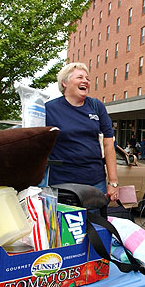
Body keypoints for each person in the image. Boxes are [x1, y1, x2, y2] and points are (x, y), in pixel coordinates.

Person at [45, 62, 120, 202]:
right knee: (65, 224)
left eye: (87, 78)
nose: (85, 81)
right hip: (61, 183)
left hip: (95, 182)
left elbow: (109, 144)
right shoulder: (49, 109)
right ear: (65, 83)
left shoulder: (96, 106)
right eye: (80, 77)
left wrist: (113, 182)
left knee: (96, 223)